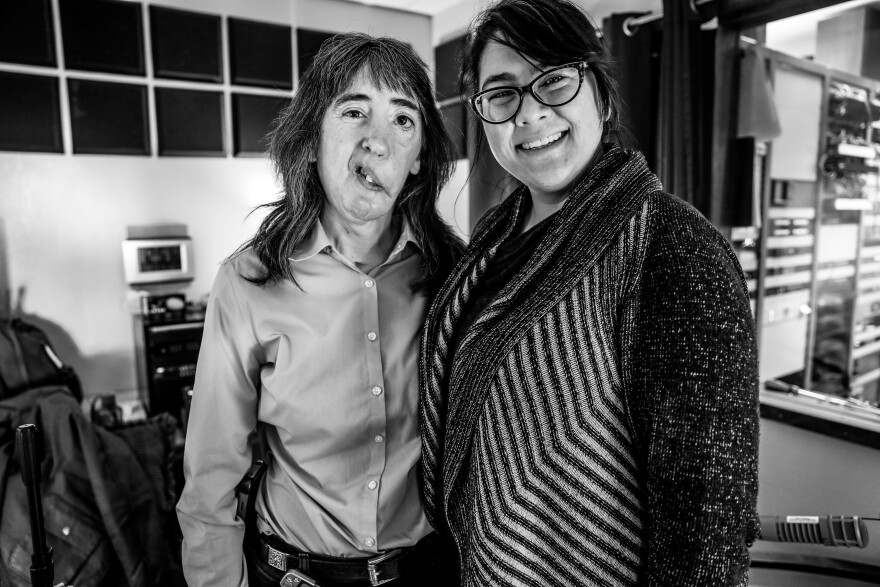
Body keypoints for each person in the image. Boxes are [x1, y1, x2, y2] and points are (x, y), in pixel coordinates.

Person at [418, 0, 760, 585]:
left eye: (552, 80)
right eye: (502, 94)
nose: (529, 113)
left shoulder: (673, 247)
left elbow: (707, 522)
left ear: (599, 93)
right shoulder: (492, 240)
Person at [177, 32, 462, 587]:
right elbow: (210, 483)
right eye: (355, 111)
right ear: (310, 140)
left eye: (403, 120)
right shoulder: (248, 282)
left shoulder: (456, 276)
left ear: (420, 156)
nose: (378, 141)